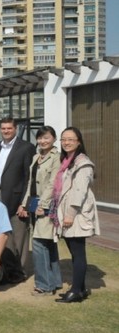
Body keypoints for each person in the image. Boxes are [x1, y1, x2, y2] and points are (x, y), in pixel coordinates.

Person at [52, 127, 100, 303]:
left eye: (71, 139)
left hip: (76, 214)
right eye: (64, 139)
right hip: (67, 211)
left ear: (79, 142)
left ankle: (75, 291)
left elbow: (79, 191)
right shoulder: (67, 160)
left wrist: (70, 215)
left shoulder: (83, 163)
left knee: (78, 252)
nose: (66, 142)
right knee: (75, 252)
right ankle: (80, 289)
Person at [0, 117, 35, 283]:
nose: (6, 131)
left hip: (18, 197)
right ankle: (10, 270)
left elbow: (29, 177)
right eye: (3, 128)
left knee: (19, 236)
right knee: (4, 234)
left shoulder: (26, 147)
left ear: (15, 129)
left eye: (9, 128)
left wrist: (25, 204)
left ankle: (21, 271)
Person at [21, 126, 62, 296]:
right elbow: (30, 183)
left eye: (46, 137)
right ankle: (55, 281)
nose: (43, 141)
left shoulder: (56, 158)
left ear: (54, 139)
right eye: (40, 138)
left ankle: (44, 285)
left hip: (47, 205)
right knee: (47, 243)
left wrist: (43, 205)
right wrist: (25, 204)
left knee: (39, 243)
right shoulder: (36, 157)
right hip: (34, 203)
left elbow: (53, 183)